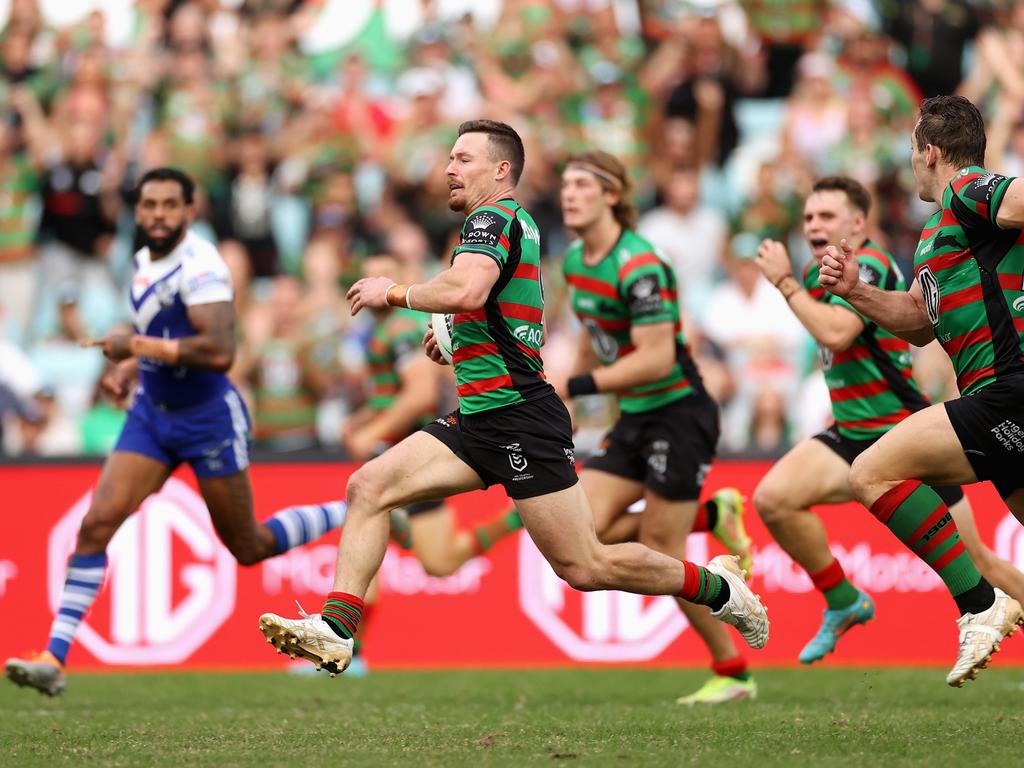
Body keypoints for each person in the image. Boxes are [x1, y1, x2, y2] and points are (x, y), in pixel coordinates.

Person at [257, 120, 769, 675]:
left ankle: (720, 589)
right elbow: (490, 310)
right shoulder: (500, 228)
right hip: (481, 416)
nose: (450, 168)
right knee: (369, 486)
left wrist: (396, 292)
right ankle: (336, 631)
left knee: (586, 566)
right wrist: (456, 342)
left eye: (463, 158)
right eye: (449, 158)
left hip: (520, 416)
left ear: (501, 170)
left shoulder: (493, 217)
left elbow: (469, 289)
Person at [5, 168, 348, 696]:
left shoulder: (202, 265)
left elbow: (218, 352)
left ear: (190, 211)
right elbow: (162, 337)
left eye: (170, 205)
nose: (158, 214)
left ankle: (353, 510)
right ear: (137, 211)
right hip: (154, 415)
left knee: (249, 544)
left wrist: (136, 349)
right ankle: (55, 656)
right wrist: (131, 369)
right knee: (96, 524)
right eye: (150, 205)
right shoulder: (142, 263)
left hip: (207, 418)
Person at [755, 175, 1024, 666]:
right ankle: (842, 602)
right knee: (774, 499)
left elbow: (838, 333)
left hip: (902, 429)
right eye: (810, 217)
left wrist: (784, 283)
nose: (815, 225)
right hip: (851, 434)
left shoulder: (872, 263)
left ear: (858, 223)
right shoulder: (827, 275)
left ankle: (981, 606)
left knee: (977, 559)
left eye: (828, 216)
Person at [818, 95, 1024, 687]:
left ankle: (980, 605)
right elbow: (916, 321)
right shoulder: (938, 232)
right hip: (999, 400)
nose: (910, 160)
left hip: (1007, 390)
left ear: (929, 151)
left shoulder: (969, 191)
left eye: (912, 147)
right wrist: (856, 290)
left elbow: (1015, 200)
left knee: (871, 472)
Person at [558, 150, 756, 705]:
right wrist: (570, 399)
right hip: (636, 416)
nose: (568, 193)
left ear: (613, 196)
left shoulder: (640, 263)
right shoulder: (575, 260)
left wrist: (578, 389)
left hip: (679, 412)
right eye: (565, 184)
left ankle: (734, 671)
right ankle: (715, 514)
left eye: (582, 184)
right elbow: (588, 337)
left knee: (661, 556)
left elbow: (655, 359)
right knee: (581, 537)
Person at [343, 251, 524, 577]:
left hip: (408, 451)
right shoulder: (385, 327)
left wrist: (371, 433)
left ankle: (515, 518)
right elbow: (394, 392)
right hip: (398, 449)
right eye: (367, 276)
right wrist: (363, 418)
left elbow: (419, 395)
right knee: (406, 562)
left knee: (426, 558)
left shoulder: (401, 328)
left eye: (382, 275)